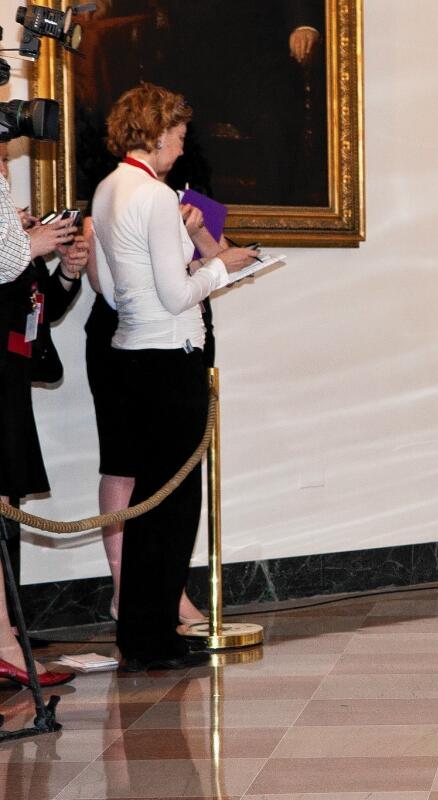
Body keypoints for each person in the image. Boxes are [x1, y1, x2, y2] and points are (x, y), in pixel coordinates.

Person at [91, 83, 257, 671]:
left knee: (145, 505)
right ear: (158, 133)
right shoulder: (156, 196)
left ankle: (139, 633)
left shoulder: (108, 188)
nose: (182, 148)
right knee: (173, 503)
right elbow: (178, 293)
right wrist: (220, 265)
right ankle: (156, 638)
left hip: (131, 352)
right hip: (171, 357)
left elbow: (112, 288)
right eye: (180, 136)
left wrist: (189, 270)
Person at [0, 142, 80, 687]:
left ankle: (10, 634)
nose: (6, 168)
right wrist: (28, 242)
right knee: (3, 495)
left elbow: (31, 301)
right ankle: (6, 642)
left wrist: (66, 271)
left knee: (10, 497)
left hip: (11, 366)